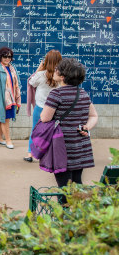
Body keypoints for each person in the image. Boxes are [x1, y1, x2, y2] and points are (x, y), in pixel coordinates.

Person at [40, 58, 98, 196]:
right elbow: (94, 115)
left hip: (62, 145)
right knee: (77, 182)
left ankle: (65, 215)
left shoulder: (56, 94)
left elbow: (44, 118)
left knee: (63, 186)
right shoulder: (83, 94)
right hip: (80, 145)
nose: (54, 70)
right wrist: (87, 127)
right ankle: (79, 213)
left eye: (56, 69)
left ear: (62, 76)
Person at [24, 50, 62, 162]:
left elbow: (31, 82)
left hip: (40, 107)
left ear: (46, 61)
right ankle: (50, 155)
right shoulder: (61, 77)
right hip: (55, 109)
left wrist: (39, 69)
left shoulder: (41, 75)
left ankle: (30, 153)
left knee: (35, 130)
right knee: (54, 131)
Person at [0, 46, 21, 149]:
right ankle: (8, 140)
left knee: (2, 118)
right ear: (0, 57)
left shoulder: (12, 68)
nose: (7, 59)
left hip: (10, 98)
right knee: (4, 119)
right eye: (5, 57)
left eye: (9, 57)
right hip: (1, 98)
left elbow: (16, 82)